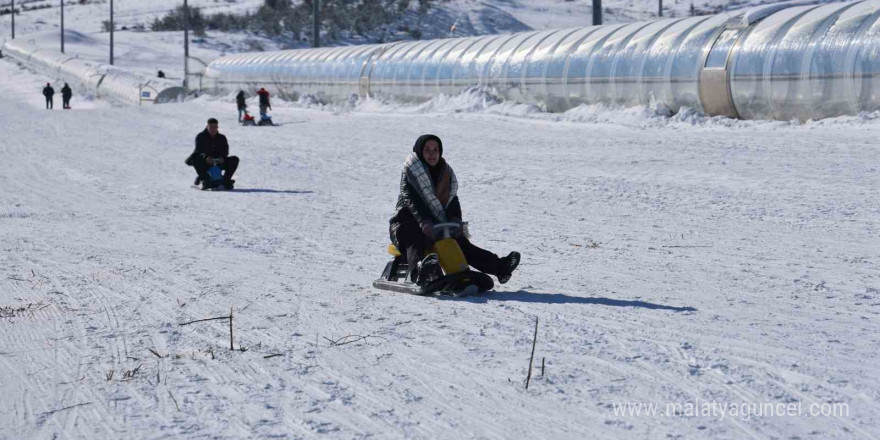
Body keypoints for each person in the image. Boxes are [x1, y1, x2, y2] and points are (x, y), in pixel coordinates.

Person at [389, 134, 520, 286]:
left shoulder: (445, 173)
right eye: (427, 149)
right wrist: (424, 220)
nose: (432, 153)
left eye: (435, 149)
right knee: (415, 239)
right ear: (419, 151)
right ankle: (419, 272)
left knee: (460, 244)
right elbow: (412, 200)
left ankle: (500, 267)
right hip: (406, 223)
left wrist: (455, 219)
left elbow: (452, 200)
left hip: (436, 225)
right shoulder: (411, 173)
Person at [185, 118, 239, 190]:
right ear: (207, 126)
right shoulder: (201, 136)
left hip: (218, 161)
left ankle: (225, 180)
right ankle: (205, 179)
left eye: (215, 127)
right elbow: (199, 150)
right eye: (211, 127)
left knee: (234, 159)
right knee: (195, 158)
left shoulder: (222, 138)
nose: (213, 129)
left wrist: (222, 157)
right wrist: (206, 158)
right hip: (205, 162)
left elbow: (225, 150)